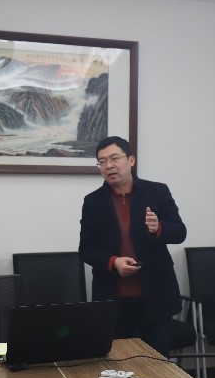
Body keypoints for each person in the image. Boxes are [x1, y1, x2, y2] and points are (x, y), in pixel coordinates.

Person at [79, 136, 187, 356]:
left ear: (131, 160)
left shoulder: (157, 192)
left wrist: (158, 228)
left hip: (155, 295)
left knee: (157, 364)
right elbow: (86, 249)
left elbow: (179, 232)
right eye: (102, 161)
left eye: (114, 158)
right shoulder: (93, 201)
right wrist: (113, 262)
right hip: (113, 299)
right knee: (118, 364)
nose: (109, 165)